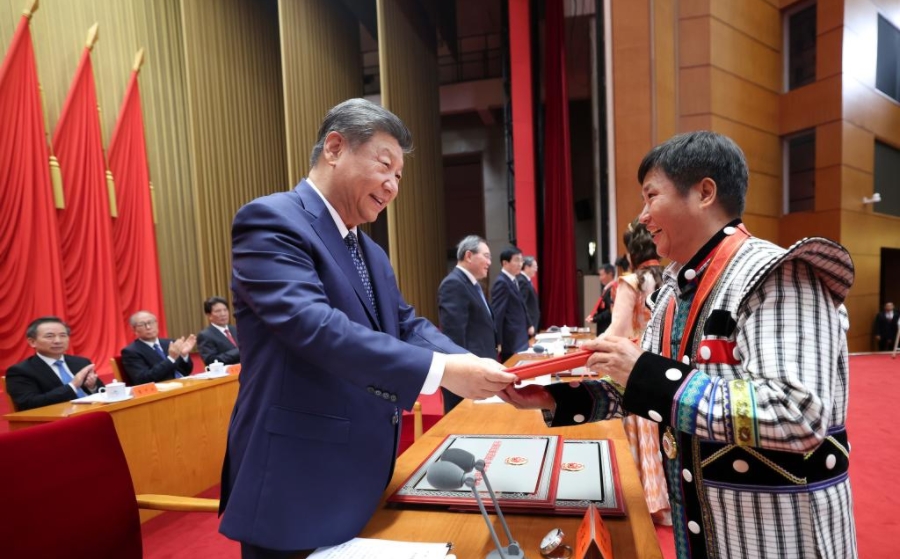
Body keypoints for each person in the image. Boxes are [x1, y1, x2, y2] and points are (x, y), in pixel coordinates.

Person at [501, 131, 857, 558]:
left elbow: (795, 412)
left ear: (705, 193)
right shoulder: (673, 293)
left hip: (779, 538)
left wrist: (644, 372)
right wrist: (553, 397)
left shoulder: (777, 274)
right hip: (709, 529)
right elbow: (639, 389)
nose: (642, 217)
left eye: (651, 197)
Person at [217, 98, 516, 558]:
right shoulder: (272, 221)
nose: (393, 185)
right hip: (295, 480)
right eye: (384, 165)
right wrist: (442, 371)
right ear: (335, 148)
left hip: (362, 473)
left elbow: (404, 323)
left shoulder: (369, 251)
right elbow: (314, 326)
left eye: (399, 176)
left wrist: (472, 364)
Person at [606, 220, 670, 525]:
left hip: (635, 364)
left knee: (640, 431)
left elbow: (617, 330)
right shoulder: (669, 278)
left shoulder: (631, 281)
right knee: (661, 434)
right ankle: (665, 501)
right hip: (665, 364)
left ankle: (643, 502)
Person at [437, 235, 500, 413]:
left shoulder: (472, 285)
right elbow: (454, 337)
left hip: (480, 371)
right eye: (486, 256)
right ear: (469, 256)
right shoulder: (454, 284)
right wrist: (464, 375)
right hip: (468, 378)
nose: (489, 262)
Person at [6, 316, 104, 411]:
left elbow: (103, 392)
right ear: (32, 342)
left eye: (63, 335)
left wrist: (92, 387)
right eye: (49, 336)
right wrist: (72, 386)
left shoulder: (81, 362)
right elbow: (29, 404)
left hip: (95, 411)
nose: (58, 341)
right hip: (61, 418)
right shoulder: (21, 371)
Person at [121, 311, 195, 384]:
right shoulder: (131, 352)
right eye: (142, 324)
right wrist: (171, 359)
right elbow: (143, 379)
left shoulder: (170, 343)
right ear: (134, 330)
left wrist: (184, 355)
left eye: (151, 322)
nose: (148, 327)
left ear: (157, 324)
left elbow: (186, 371)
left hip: (184, 384)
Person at [491, 246, 532, 362]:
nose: (520, 264)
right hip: (511, 341)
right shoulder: (501, 282)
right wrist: (498, 341)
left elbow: (521, 306)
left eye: (521, 260)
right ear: (505, 263)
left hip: (519, 337)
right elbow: (498, 314)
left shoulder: (513, 279)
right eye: (516, 260)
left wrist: (529, 324)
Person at [197, 296, 240, 366]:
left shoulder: (235, 329)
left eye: (225, 310)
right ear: (209, 315)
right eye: (218, 311)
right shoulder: (205, 335)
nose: (223, 314)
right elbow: (211, 361)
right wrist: (239, 351)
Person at [586, 262, 616, 333]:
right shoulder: (606, 289)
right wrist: (594, 316)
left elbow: (611, 310)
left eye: (602, 275)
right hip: (603, 326)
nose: (600, 278)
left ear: (610, 274)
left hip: (607, 327)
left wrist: (596, 318)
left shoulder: (613, 289)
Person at [517, 255, 541, 333]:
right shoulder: (522, 281)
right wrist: (529, 324)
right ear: (527, 267)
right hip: (528, 325)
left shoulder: (526, 281)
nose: (536, 269)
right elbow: (522, 304)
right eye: (534, 267)